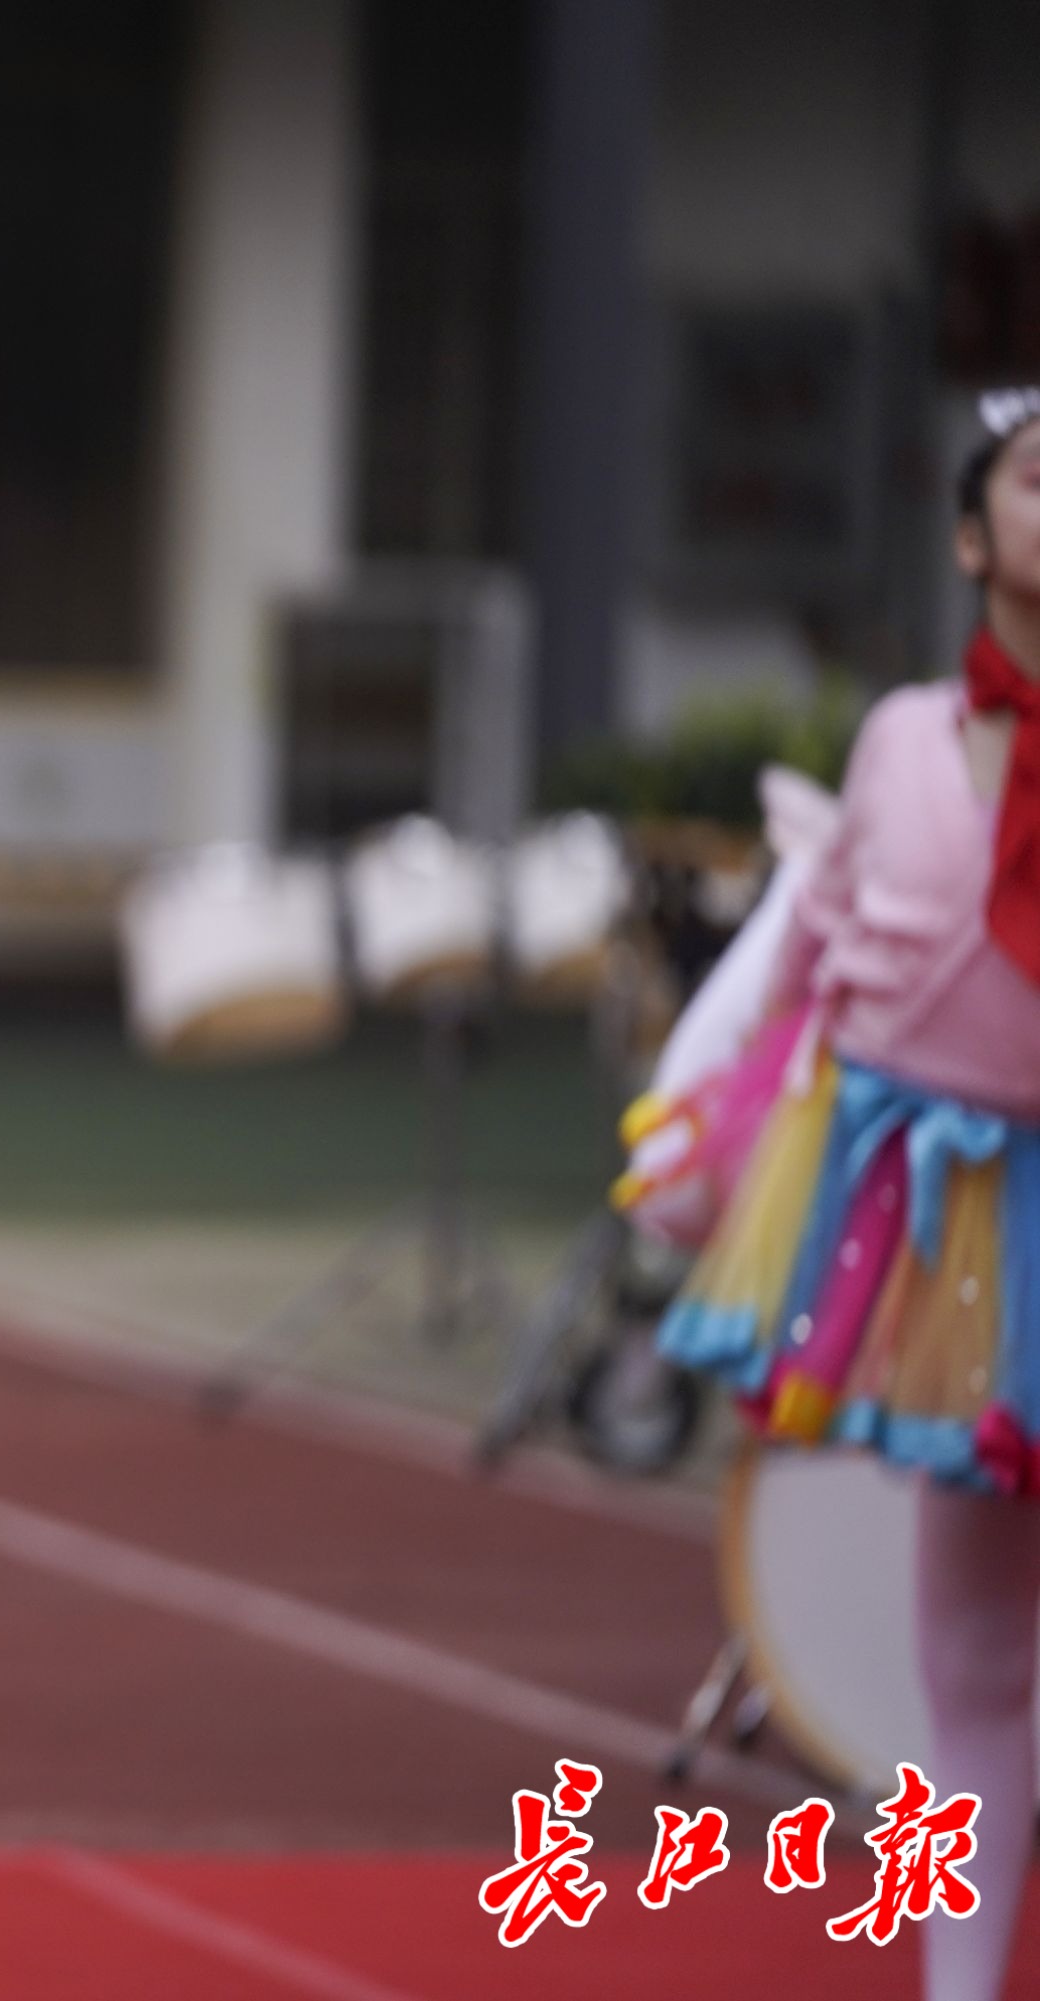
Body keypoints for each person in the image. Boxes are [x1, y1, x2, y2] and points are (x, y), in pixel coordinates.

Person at [657, 388, 1040, 2001]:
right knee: (974, 1645)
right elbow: (809, 965)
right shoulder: (898, 737)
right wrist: (717, 1134)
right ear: (973, 536)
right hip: (953, 1228)